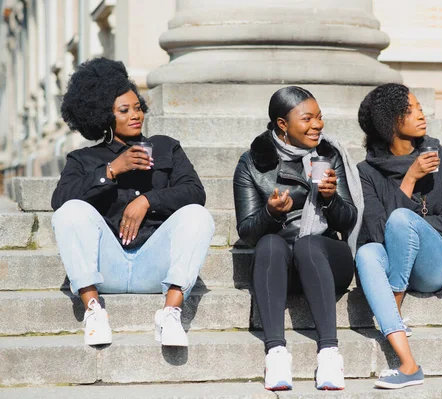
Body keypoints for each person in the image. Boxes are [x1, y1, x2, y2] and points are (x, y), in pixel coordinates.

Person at [51, 58, 214, 347]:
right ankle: (93, 310)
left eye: (137, 107)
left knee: (198, 216)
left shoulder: (166, 147)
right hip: (107, 267)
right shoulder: (84, 159)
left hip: (154, 263)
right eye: (124, 111)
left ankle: (171, 313)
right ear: (104, 117)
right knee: (71, 211)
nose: (134, 115)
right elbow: (60, 201)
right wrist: (111, 170)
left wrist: (148, 201)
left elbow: (194, 192)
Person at [233, 86, 363, 391]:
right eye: (307, 119)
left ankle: (329, 351)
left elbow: (348, 220)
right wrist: (271, 212)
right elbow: (248, 232)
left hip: (327, 260)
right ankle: (276, 353)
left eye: (319, 117)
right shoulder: (253, 163)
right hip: (279, 266)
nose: (317, 125)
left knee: (307, 245)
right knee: (268, 243)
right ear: (282, 124)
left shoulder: (328, 155)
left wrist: (330, 199)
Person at [355, 83, 442, 389]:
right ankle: (409, 364)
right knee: (366, 253)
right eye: (410, 110)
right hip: (394, 259)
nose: (421, 114)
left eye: (419, 107)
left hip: (433, 265)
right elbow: (376, 231)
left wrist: (416, 225)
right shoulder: (367, 171)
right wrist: (410, 179)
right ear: (390, 122)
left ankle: (393, 305)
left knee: (402, 219)